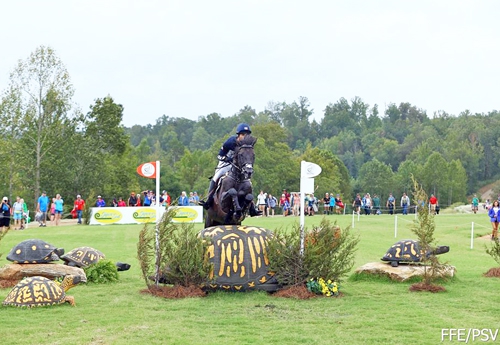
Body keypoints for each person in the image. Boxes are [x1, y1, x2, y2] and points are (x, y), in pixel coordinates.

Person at [201, 123, 252, 209]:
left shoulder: (247, 145)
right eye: (243, 134)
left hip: (238, 167)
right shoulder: (231, 142)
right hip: (225, 164)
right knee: (216, 177)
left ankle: (252, 207)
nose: (245, 137)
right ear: (238, 135)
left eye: (247, 135)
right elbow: (219, 155)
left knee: (248, 182)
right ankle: (208, 200)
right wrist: (226, 158)